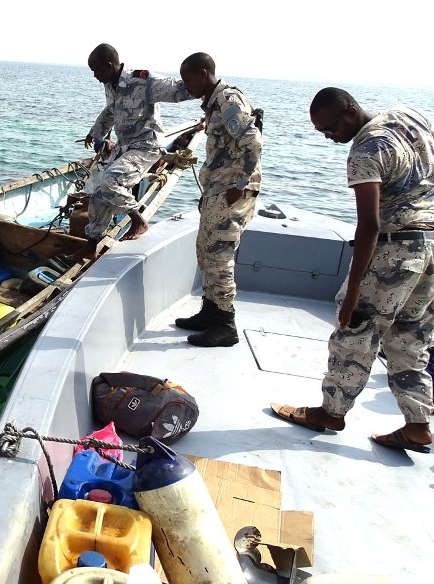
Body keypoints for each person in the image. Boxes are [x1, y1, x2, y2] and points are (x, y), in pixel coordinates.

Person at [270, 88, 434, 454]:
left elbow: (370, 225)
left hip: (396, 249)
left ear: (349, 111)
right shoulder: (409, 115)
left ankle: (330, 414)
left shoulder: (364, 149)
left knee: (354, 332)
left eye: (329, 128)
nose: (329, 137)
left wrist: (355, 288)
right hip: (431, 245)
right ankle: (418, 426)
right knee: (411, 338)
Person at [173, 53, 262, 347]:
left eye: (188, 79)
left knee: (219, 258)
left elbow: (253, 143)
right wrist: (209, 193)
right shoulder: (214, 104)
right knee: (206, 253)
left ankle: (225, 325)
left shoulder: (228, 101)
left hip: (231, 193)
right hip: (217, 192)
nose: (186, 86)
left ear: (204, 73)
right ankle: (210, 312)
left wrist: (239, 185)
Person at [71, 44, 192, 260]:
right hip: (125, 146)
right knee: (99, 196)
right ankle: (91, 245)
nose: (95, 76)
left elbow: (180, 89)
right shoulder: (110, 84)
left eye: (96, 70)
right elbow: (110, 111)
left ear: (109, 65)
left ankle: (138, 220)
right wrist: (95, 133)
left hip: (147, 145)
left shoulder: (143, 81)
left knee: (111, 181)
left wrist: (211, 94)